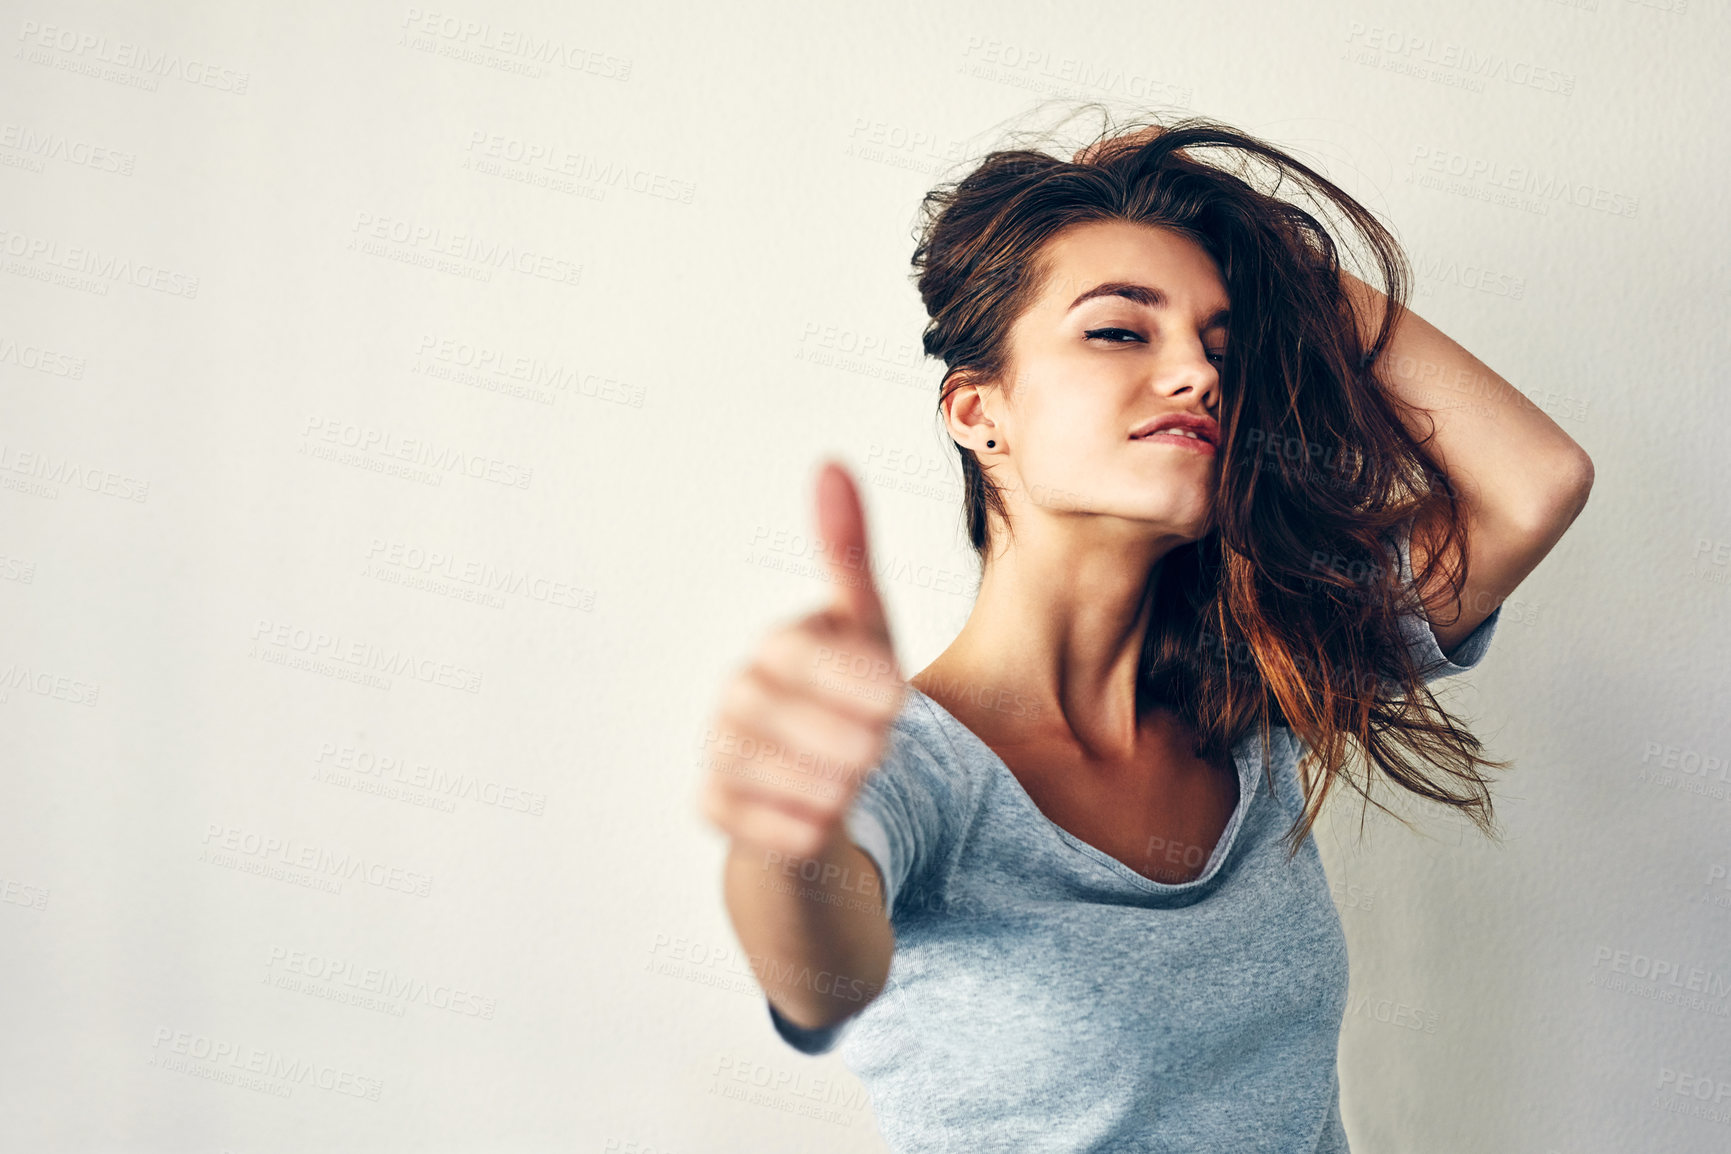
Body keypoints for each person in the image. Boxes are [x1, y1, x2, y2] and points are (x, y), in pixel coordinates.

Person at [697, 112, 1593, 1152]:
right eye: (1121, 329)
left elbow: (1537, 484)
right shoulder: (915, 769)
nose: (1199, 374)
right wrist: (784, 834)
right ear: (978, 408)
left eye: (1219, 344)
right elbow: (819, 975)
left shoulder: (1256, 691)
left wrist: (1277, 263)